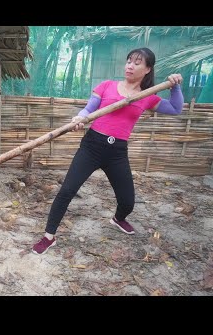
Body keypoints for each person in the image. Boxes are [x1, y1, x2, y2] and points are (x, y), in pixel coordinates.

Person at [32, 47, 184, 255]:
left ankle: (118, 219)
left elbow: (176, 109)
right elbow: (89, 109)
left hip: (117, 152)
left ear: (148, 69)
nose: (130, 65)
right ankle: (49, 237)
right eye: (129, 60)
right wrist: (80, 118)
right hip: (92, 147)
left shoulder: (147, 96)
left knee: (128, 201)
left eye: (137, 62)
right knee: (67, 190)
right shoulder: (107, 86)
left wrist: (175, 87)